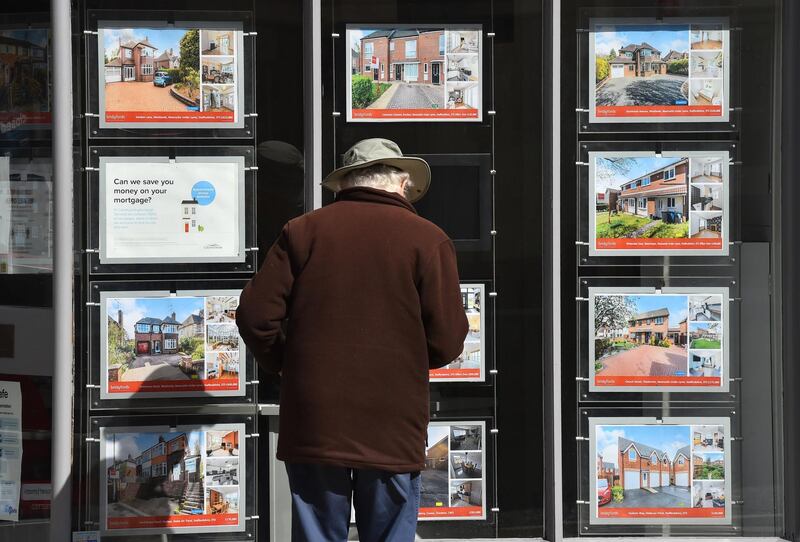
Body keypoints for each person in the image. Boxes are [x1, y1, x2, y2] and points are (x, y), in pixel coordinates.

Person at [236, 138, 468, 542]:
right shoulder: (428, 239)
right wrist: (405, 361)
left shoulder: (303, 231)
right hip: (391, 416)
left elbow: (255, 316)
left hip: (314, 416)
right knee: (390, 532)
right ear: (399, 183)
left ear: (345, 184)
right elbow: (447, 340)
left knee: (317, 533)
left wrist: (287, 364)